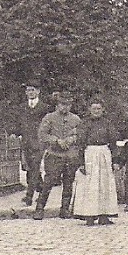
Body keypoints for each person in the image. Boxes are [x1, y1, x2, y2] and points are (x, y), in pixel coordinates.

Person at [34, 91, 81, 220]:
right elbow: (42, 135)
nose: (64, 107)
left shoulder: (76, 119)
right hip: (54, 155)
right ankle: (39, 208)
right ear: (57, 105)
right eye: (62, 104)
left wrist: (72, 139)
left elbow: (81, 134)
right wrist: (56, 141)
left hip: (70, 156)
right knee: (48, 182)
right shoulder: (49, 118)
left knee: (68, 182)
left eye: (67, 104)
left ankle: (65, 209)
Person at [72, 100, 120, 226]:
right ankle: (89, 215)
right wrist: (81, 163)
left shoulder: (107, 123)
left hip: (104, 153)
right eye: (94, 109)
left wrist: (115, 160)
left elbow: (113, 142)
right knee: (90, 186)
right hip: (90, 154)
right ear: (90, 109)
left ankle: (104, 215)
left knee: (105, 185)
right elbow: (80, 144)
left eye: (99, 108)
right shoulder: (85, 123)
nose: (96, 111)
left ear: (102, 109)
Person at [15, 78, 51, 207]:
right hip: (26, 142)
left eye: (32, 90)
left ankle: (29, 196)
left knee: (35, 168)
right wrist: (18, 134)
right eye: (28, 90)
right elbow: (19, 123)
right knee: (30, 169)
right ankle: (41, 191)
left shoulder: (44, 108)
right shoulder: (22, 107)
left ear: (38, 92)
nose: (30, 92)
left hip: (39, 142)